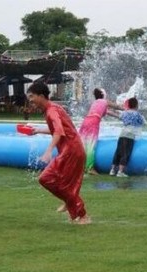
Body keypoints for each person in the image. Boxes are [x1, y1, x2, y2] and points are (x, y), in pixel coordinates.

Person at [27, 82, 91, 225]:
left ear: (41, 96)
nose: (29, 100)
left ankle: (82, 214)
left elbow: (59, 132)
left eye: (31, 96)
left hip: (71, 151)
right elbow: (60, 129)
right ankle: (71, 204)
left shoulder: (52, 111)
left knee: (46, 178)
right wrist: (37, 130)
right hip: (72, 150)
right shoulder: (53, 108)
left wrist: (49, 150)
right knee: (64, 184)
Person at [79, 88, 123, 175]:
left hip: (85, 122)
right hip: (93, 123)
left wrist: (120, 117)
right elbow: (116, 106)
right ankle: (90, 168)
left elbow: (109, 112)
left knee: (83, 145)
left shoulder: (95, 103)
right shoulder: (104, 101)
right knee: (91, 146)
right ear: (103, 94)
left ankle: (81, 167)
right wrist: (125, 108)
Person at [109, 97, 146, 177]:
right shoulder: (137, 114)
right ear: (136, 105)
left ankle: (112, 170)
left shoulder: (125, 113)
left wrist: (109, 112)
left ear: (128, 105)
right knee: (125, 154)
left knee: (118, 153)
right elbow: (143, 123)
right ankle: (120, 172)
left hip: (122, 134)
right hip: (130, 136)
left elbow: (120, 117)